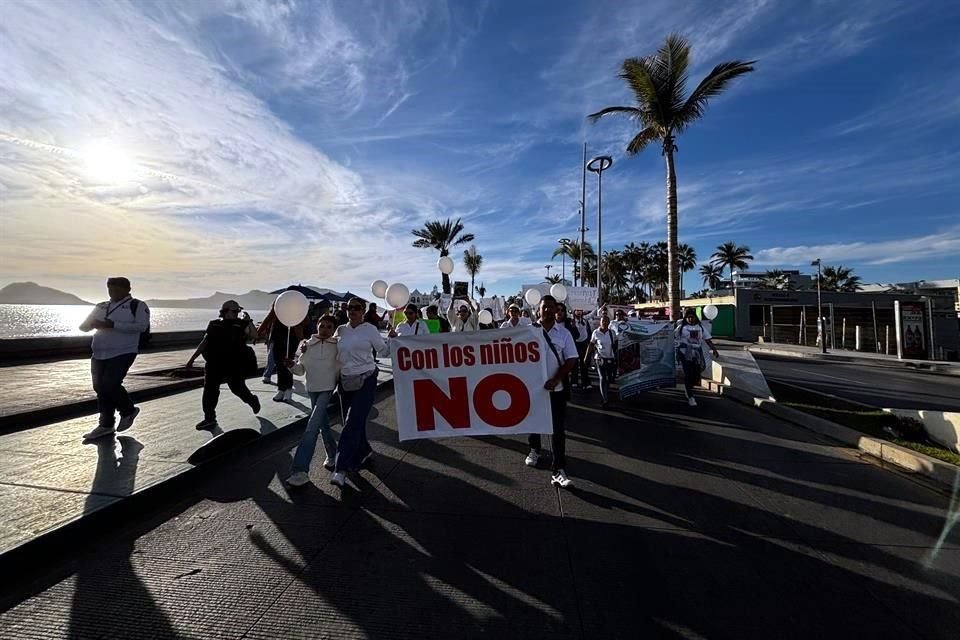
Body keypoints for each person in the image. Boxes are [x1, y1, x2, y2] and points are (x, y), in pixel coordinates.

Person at [78, 277, 150, 440]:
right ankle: (106, 424)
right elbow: (84, 326)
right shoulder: (101, 306)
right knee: (100, 388)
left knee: (111, 384)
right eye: (110, 290)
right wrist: (89, 325)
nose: (113, 293)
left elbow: (141, 326)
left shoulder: (137, 305)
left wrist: (114, 325)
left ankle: (128, 410)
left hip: (123, 352)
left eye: (117, 290)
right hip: (99, 353)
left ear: (127, 290)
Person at [331, 298, 389, 487]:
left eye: (356, 308)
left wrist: (394, 339)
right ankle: (364, 450)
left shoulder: (370, 329)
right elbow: (330, 348)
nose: (352, 311)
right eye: (349, 308)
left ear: (363, 311)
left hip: (366, 379)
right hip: (345, 381)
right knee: (353, 422)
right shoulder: (341, 329)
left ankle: (340, 468)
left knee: (352, 421)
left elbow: (383, 351)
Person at [525, 295, 578, 488]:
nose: (546, 310)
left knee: (557, 430)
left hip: (556, 390)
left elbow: (571, 359)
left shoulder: (564, 334)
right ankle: (534, 449)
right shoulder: (528, 332)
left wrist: (556, 379)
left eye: (550, 307)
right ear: (537, 310)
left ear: (556, 310)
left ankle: (558, 469)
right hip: (534, 390)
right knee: (534, 422)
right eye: (543, 307)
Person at [186, 301, 260, 429]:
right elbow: (205, 342)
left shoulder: (242, 324)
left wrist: (249, 321)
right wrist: (192, 359)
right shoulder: (214, 324)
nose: (237, 314)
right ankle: (209, 418)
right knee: (210, 390)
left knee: (237, 388)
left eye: (238, 311)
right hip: (214, 363)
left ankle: (252, 400)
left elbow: (255, 335)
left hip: (234, 364)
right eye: (234, 311)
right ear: (225, 311)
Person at [286, 315, 341, 487]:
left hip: (327, 389)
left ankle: (300, 470)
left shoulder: (338, 345)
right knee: (322, 424)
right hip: (312, 389)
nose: (325, 329)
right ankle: (332, 455)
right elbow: (300, 370)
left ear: (334, 329)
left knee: (312, 426)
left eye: (329, 327)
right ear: (317, 326)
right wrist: (291, 366)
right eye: (322, 325)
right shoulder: (306, 345)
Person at [675, 308, 720, 407]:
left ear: (695, 317)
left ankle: (689, 388)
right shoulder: (681, 328)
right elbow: (673, 338)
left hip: (697, 354)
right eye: (688, 317)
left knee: (696, 376)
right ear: (686, 318)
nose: (690, 319)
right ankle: (690, 396)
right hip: (685, 353)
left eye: (692, 317)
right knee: (688, 374)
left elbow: (708, 340)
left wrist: (715, 350)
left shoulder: (700, 328)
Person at [265, 307, 302, 402]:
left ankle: (288, 389)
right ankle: (281, 389)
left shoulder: (296, 305)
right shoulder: (278, 303)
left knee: (288, 364)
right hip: (277, 337)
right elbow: (269, 317)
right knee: (278, 364)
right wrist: (260, 332)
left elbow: (303, 322)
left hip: (292, 337)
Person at [584, 314, 617, 409]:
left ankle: (606, 392)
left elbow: (615, 345)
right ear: (600, 322)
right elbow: (591, 345)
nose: (605, 323)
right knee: (603, 378)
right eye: (603, 321)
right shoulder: (596, 332)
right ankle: (604, 399)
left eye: (606, 321)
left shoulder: (612, 333)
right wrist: (586, 357)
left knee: (609, 379)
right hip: (600, 358)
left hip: (610, 358)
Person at [571, 309, 593, 390]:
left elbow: (588, 332)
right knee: (575, 364)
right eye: (577, 310)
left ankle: (586, 382)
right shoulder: (571, 321)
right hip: (575, 343)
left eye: (580, 310)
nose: (579, 312)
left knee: (584, 364)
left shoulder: (585, 321)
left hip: (584, 344)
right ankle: (574, 381)